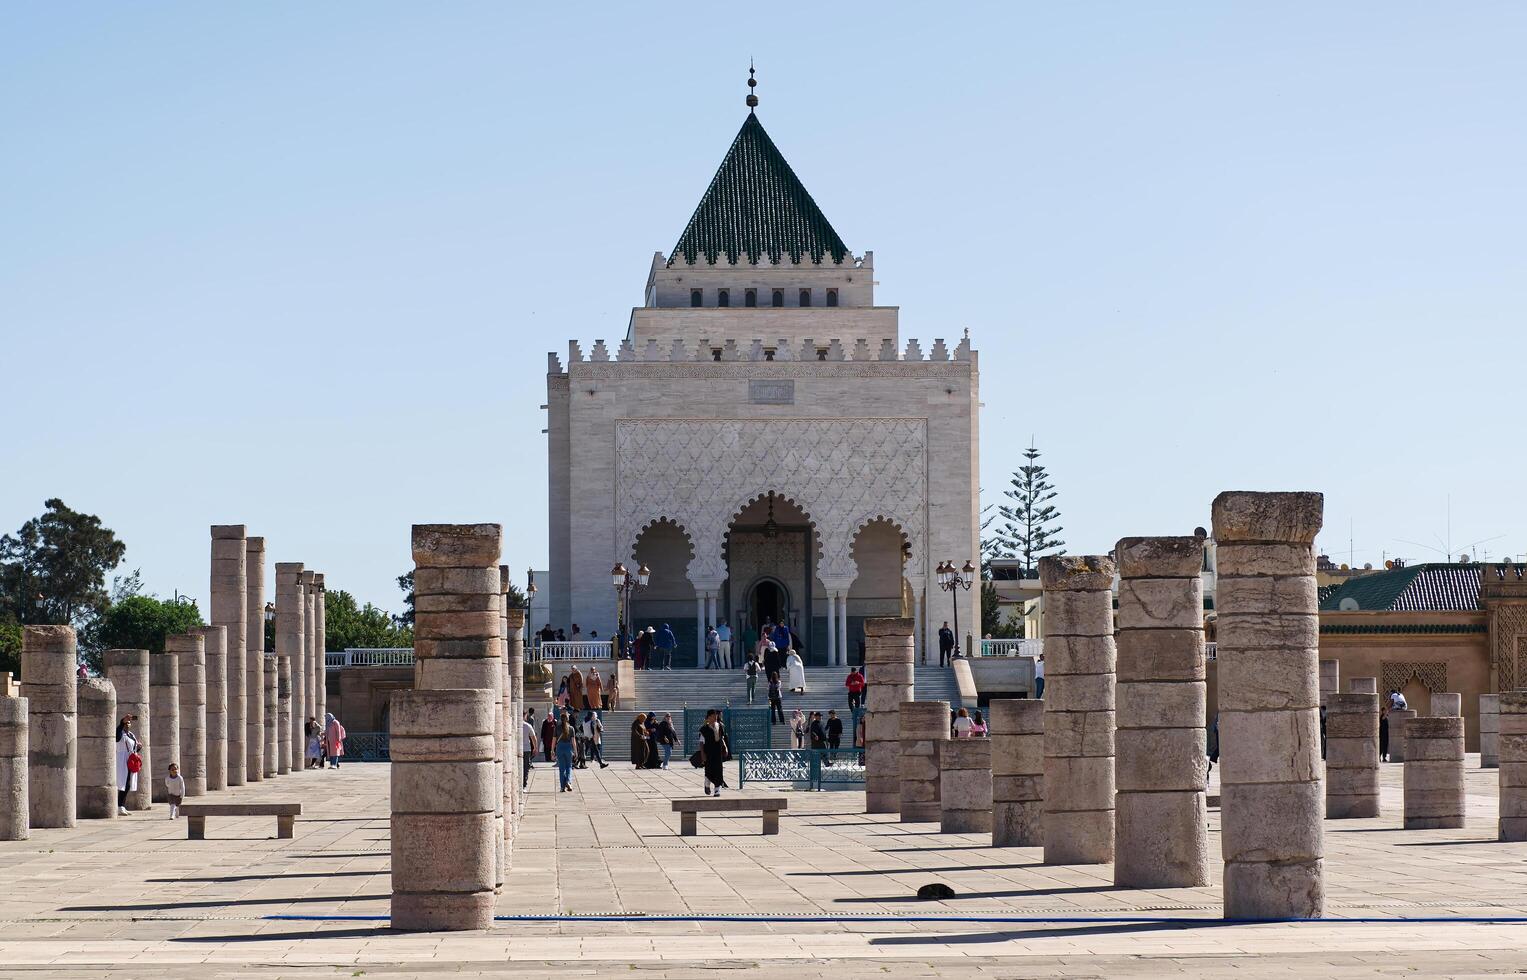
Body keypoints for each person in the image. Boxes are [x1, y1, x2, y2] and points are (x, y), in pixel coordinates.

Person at [114, 714, 141, 816]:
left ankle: (122, 806)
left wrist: (138, 747)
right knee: (122, 783)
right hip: (122, 758)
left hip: (131, 759)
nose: (128, 724)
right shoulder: (120, 733)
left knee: (128, 784)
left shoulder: (131, 734)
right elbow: (117, 737)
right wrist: (122, 722)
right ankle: (119, 806)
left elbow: (133, 748)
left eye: (129, 722)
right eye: (126, 722)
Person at [700, 709, 729, 797]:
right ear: (708, 718)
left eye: (716, 716)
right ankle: (707, 784)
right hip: (708, 752)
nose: (715, 717)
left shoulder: (719, 726)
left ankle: (717, 789)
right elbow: (701, 742)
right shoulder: (704, 729)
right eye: (713, 716)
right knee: (709, 770)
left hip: (717, 751)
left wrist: (725, 747)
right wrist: (702, 754)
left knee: (719, 770)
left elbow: (722, 738)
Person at [555, 716, 576, 792]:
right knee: (569, 767)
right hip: (568, 747)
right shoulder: (571, 728)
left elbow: (554, 739)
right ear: (567, 719)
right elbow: (573, 741)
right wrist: (575, 751)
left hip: (559, 747)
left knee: (561, 768)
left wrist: (552, 750)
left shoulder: (557, 728)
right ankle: (568, 781)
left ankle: (562, 787)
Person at [522, 709, 538, 789]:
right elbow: (533, 737)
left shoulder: (514, 725)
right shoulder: (528, 726)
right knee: (525, 767)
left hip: (517, 749)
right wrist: (535, 747)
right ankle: (524, 785)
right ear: (525, 715)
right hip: (526, 749)